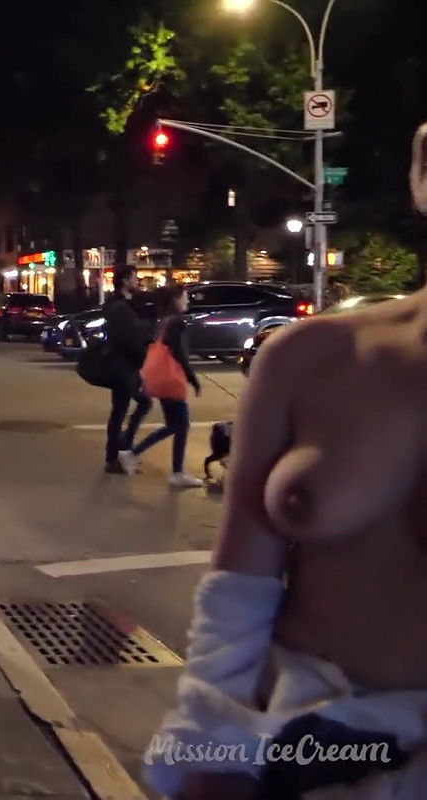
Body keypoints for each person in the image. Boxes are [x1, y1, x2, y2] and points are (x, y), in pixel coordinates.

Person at [146, 123, 427, 800]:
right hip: (288, 754)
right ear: (421, 174)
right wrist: (208, 760)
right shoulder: (306, 357)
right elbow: (236, 598)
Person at [118, 285, 205, 488]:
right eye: (185, 297)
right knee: (180, 425)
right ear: (176, 300)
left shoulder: (164, 321)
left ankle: (140, 456)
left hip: (161, 379)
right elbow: (179, 353)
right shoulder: (177, 322)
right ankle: (171, 470)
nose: (188, 301)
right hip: (171, 380)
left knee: (175, 424)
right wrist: (193, 378)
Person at [101, 265, 152, 474]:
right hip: (123, 367)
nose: (136, 281)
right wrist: (142, 356)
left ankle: (119, 452)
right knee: (126, 409)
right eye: (133, 278)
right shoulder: (119, 307)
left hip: (125, 366)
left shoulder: (125, 304)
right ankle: (118, 455)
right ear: (124, 281)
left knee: (126, 409)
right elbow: (127, 338)